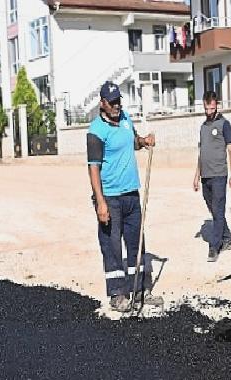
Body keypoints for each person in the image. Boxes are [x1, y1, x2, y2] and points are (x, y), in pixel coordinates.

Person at [86, 81, 164, 312]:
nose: (117, 105)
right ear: (102, 103)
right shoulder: (96, 131)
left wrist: (144, 141)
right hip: (110, 197)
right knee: (111, 246)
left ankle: (139, 290)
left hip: (131, 193)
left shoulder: (126, 119)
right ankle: (117, 294)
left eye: (119, 100)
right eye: (112, 102)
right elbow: (93, 168)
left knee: (136, 243)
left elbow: (134, 141)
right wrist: (100, 201)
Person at [193, 91, 231, 262]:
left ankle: (215, 246)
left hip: (219, 175)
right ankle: (227, 238)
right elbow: (201, 152)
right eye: (206, 108)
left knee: (218, 209)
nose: (209, 111)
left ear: (216, 105)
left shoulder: (224, 124)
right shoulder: (203, 127)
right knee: (214, 210)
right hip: (206, 176)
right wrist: (196, 176)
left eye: (212, 108)